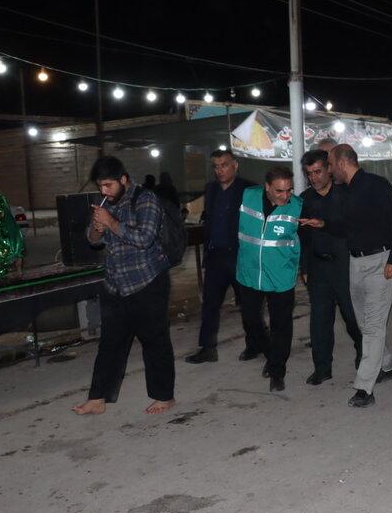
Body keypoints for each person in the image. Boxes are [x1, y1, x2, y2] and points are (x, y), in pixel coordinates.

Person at [72, 156, 175, 415]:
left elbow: (144, 238)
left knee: (155, 341)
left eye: (108, 185)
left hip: (147, 281)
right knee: (110, 343)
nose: (104, 191)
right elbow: (93, 240)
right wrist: (98, 228)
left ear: (123, 179)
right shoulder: (105, 203)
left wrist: (111, 222)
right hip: (115, 284)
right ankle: (98, 398)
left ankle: (164, 396)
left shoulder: (145, 200)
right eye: (100, 186)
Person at [328, 143, 392, 408]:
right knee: (364, 323)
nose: (330, 170)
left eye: (331, 165)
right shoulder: (346, 191)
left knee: (372, 326)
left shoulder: (376, 185)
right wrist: (323, 224)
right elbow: (348, 227)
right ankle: (387, 366)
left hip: (380, 263)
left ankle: (364, 388)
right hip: (356, 262)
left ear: (342, 163)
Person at [297, 146, 362, 385]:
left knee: (352, 317)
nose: (314, 178)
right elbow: (303, 238)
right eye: (309, 174)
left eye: (317, 172)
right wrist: (305, 268)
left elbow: (355, 229)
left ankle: (364, 354)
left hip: (345, 266)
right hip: (317, 268)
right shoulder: (305, 199)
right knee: (319, 321)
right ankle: (322, 368)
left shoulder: (346, 194)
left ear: (329, 169)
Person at [235, 166, 303, 392]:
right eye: (279, 191)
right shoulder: (247, 196)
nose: (285, 196)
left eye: (289, 190)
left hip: (281, 276)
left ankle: (277, 372)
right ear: (267, 187)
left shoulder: (298, 206)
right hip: (249, 273)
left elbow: (307, 239)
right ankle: (270, 353)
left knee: (280, 326)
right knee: (250, 321)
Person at [185, 150, 256, 364]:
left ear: (235, 165)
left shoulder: (249, 189)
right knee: (210, 304)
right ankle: (208, 349)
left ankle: (255, 344)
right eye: (216, 166)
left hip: (239, 256)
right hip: (216, 255)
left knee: (249, 305)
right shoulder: (211, 189)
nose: (219, 170)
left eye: (224, 165)